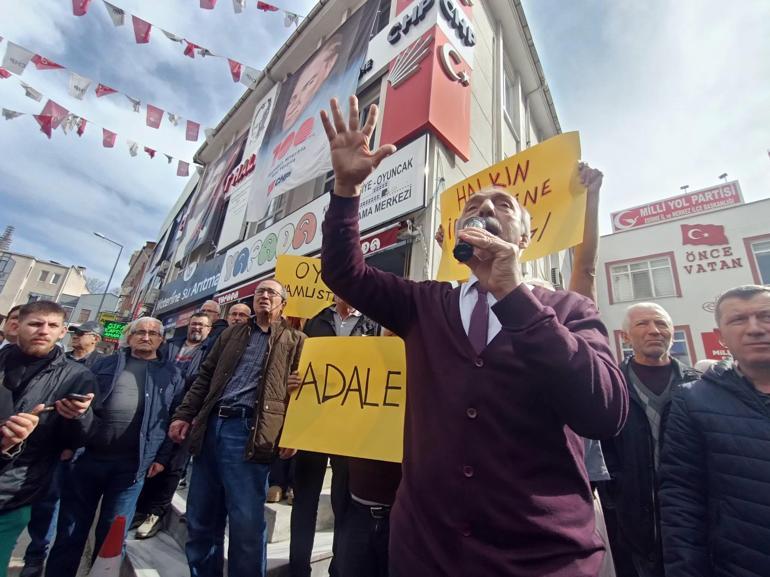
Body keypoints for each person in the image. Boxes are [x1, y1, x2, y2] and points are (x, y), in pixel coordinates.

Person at [318, 95, 628, 576]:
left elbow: (603, 411)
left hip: (541, 558)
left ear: (524, 238)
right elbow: (344, 272)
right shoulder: (425, 302)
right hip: (426, 554)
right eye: (473, 205)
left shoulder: (569, 309)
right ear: (457, 233)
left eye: (502, 204)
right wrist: (344, 191)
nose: (485, 207)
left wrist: (512, 292)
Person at [169, 279, 305, 577]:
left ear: (283, 302)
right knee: (202, 517)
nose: (264, 296)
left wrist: (293, 430)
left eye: (272, 292)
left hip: (250, 432)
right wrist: (184, 413)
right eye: (259, 292)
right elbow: (205, 376)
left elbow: (303, 393)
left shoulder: (296, 340)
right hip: (210, 428)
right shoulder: (231, 334)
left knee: (246, 523)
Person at [46, 317, 185, 577]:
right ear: (129, 337)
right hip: (88, 459)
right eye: (140, 332)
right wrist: (68, 444)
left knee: (112, 536)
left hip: (132, 467)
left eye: (153, 333)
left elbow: (173, 418)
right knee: (70, 530)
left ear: (161, 340)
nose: (146, 337)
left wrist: (163, 458)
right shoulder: (103, 365)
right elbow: (79, 407)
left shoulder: (173, 375)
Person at [659, 285, 770, 577]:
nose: (755, 329)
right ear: (721, 336)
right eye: (738, 320)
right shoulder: (694, 399)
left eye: (766, 316)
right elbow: (681, 495)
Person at [600, 302, 700, 577]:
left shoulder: (697, 386)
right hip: (629, 519)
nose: (654, 331)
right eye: (643, 324)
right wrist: (614, 495)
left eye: (661, 324)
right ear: (626, 337)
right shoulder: (611, 386)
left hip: (689, 518)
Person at [0, 301, 95, 577]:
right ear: (17, 326)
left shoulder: (78, 376)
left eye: (52, 325)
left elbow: (79, 438)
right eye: (35, 324)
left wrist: (78, 417)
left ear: (62, 331)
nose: (43, 331)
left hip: (15, 490)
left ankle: (35, 558)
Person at [289, 295, 378, 577]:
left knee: (344, 504)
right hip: (311, 427)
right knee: (304, 502)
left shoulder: (372, 324)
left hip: (349, 431)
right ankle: (297, 569)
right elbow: (297, 364)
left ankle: (338, 570)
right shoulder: (316, 321)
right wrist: (292, 379)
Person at [131, 312, 212, 539]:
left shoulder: (210, 351)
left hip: (189, 412)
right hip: (159, 409)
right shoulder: (170, 347)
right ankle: (140, 509)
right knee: (153, 460)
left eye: (202, 325)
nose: (197, 328)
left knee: (175, 464)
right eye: (194, 323)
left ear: (209, 329)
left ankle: (156, 513)